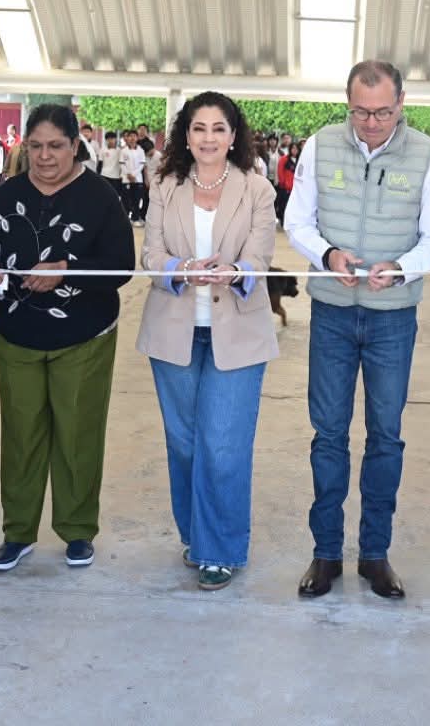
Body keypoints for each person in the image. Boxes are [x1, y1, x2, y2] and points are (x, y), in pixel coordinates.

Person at [284, 59, 430, 599]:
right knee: (329, 435)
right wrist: (327, 253)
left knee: (386, 436)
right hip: (332, 313)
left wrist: (402, 268)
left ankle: (375, 554)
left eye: (383, 111)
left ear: (401, 103)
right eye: (361, 111)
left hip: (393, 319)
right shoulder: (320, 145)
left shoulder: (427, 155)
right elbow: (298, 221)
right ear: (348, 102)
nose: (372, 122)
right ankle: (326, 553)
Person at [0, 105, 133, 573]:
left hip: (83, 338)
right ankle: (17, 532)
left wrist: (66, 271)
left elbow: (121, 266)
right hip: (17, 335)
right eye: (36, 146)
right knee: (21, 436)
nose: (44, 157)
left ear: (75, 146)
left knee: (77, 434)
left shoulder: (101, 197)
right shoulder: (6, 195)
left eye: (55, 146)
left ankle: (78, 530)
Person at [136, 92, 277, 590]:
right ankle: (197, 536)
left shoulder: (257, 189)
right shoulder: (163, 184)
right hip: (173, 331)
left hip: (237, 332)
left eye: (219, 128)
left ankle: (221, 549)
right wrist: (178, 270)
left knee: (224, 445)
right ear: (186, 135)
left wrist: (234, 270)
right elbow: (150, 253)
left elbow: (260, 257)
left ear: (233, 136)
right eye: (199, 128)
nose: (209, 138)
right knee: (185, 444)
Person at [120, 130, 148, 225]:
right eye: (130, 136)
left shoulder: (141, 150)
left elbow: (142, 165)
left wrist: (134, 175)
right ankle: (125, 219)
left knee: (136, 200)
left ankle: (135, 218)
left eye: (134, 136)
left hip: (137, 179)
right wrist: (128, 174)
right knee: (126, 200)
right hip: (126, 179)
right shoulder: (123, 151)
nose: (132, 138)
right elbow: (122, 164)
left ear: (137, 138)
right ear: (127, 138)